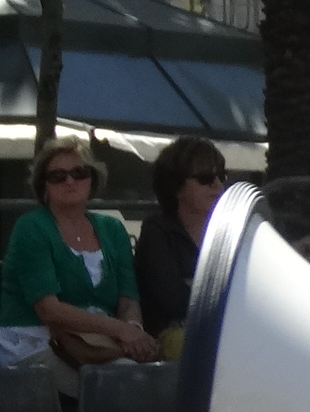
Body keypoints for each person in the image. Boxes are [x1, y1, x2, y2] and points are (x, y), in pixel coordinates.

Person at [0, 137, 158, 368]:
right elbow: (50, 311)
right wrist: (121, 330)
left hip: (96, 342)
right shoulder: (31, 228)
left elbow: (128, 298)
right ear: (44, 185)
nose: (70, 181)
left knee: (138, 372)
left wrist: (134, 331)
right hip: (33, 342)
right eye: (57, 176)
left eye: (79, 173)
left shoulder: (113, 229)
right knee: (121, 376)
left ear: (92, 179)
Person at [134, 135, 226, 353]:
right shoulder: (157, 231)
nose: (217, 185)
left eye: (221, 176)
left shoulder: (230, 230)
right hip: (169, 333)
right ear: (175, 186)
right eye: (205, 178)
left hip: (223, 329)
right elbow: (174, 301)